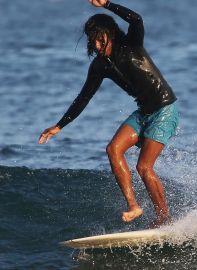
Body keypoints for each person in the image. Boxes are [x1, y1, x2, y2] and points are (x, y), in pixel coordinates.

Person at [38, 0, 178, 227]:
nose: (95, 42)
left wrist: (107, 4)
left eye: (99, 36)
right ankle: (134, 206)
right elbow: (84, 97)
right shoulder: (100, 66)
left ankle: (164, 219)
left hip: (164, 109)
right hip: (143, 112)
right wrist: (59, 125)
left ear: (109, 34)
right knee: (113, 149)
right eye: (92, 38)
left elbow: (137, 20)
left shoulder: (131, 45)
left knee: (144, 167)